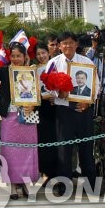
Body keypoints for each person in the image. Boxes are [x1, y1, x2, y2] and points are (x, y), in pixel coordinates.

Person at [45, 32, 96, 195]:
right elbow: (45, 87)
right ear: (59, 46)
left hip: (83, 111)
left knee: (86, 149)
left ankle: (91, 186)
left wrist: (87, 102)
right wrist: (57, 94)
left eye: (71, 43)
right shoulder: (53, 63)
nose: (68, 46)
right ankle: (63, 186)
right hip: (63, 111)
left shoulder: (86, 62)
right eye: (64, 43)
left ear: (77, 44)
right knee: (63, 150)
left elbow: (97, 85)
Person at [0, 41, 39, 200]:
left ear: (25, 56)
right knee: (10, 152)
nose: (16, 58)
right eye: (13, 55)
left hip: (27, 117)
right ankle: (12, 187)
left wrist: (33, 107)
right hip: (10, 117)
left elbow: (37, 96)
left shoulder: (32, 72)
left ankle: (25, 185)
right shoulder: (5, 72)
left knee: (27, 152)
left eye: (19, 56)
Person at [34, 42, 58, 180]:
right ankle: (46, 173)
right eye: (38, 54)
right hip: (41, 107)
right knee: (43, 141)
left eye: (43, 53)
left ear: (48, 52)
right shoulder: (34, 69)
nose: (41, 56)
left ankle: (57, 172)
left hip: (55, 106)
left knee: (56, 140)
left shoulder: (56, 66)